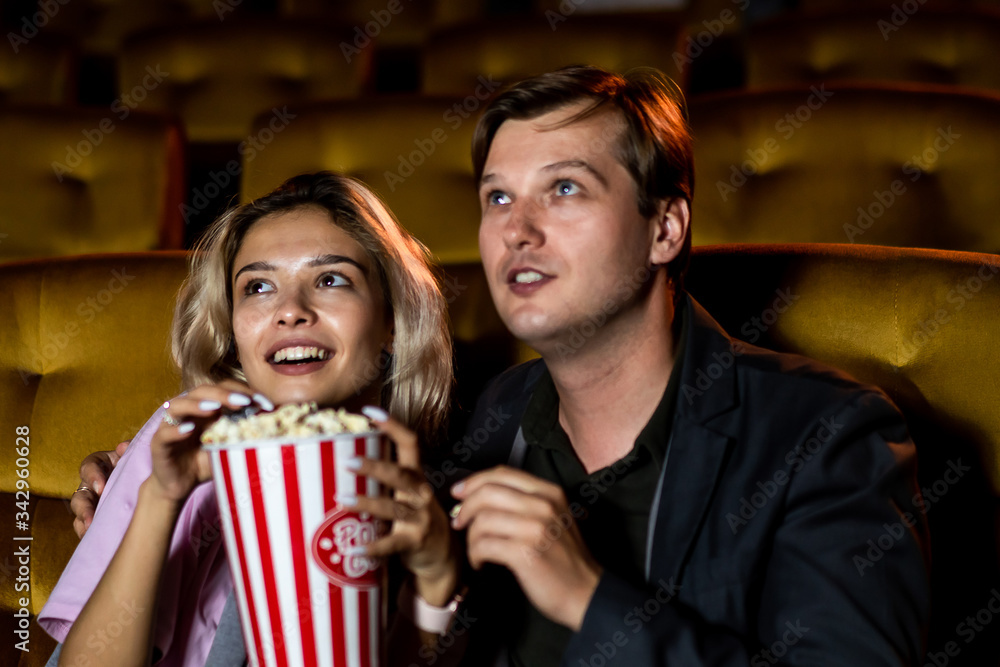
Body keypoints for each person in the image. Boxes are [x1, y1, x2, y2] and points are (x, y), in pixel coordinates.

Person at [70, 66, 932, 665]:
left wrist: (589, 595)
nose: (517, 229)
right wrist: (133, 491)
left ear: (666, 228)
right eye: (496, 198)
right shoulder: (472, 426)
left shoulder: (823, 433)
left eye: (564, 189)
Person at [40, 171, 460, 666]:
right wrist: (160, 498)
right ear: (233, 324)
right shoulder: (180, 441)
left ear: (391, 319)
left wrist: (435, 585)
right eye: (258, 287)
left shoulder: (434, 492)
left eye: (331, 279)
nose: (290, 311)